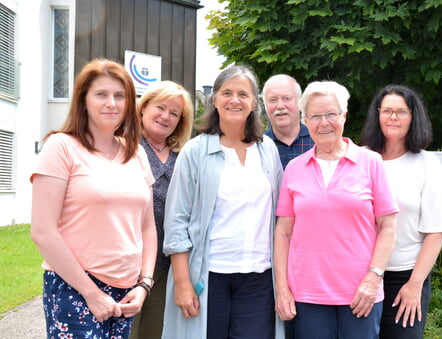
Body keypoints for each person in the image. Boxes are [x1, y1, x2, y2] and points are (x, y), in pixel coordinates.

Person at [30, 58, 157, 339]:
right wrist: (91, 293)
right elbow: (42, 231)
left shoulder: (135, 152)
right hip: (75, 287)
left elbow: (147, 226)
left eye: (120, 96)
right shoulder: (61, 146)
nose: (111, 103)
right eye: (101, 94)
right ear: (83, 100)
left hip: (127, 292)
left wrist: (144, 284)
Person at [161, 65, 285, 339]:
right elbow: (176, 221)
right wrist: (183, 283)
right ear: (214, 100)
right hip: (209, 276)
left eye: (243, 93)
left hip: (259, 278)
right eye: (226, 92)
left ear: (254, 103)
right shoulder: (195, 151)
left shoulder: (267, 150)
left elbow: (279, 218)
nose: (235, 100)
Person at [273, 80, 399, 338]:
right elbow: (283, 232)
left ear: (344, 116)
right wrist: (282, 289)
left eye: (331, 114)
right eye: (316, 116)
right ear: (306, 121)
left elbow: (388, 226)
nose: (324, 122)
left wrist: (373, 279)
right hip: (306, 297)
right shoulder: (294, 169)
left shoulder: (371, 162)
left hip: (360, 294)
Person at [360, 84, 442, 338]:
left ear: (413, 118)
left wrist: (414, 285)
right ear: (377, 115)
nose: (393, 117)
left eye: (401, 112)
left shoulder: (427, 164)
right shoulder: (360, 159)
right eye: (387, 111)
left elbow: (436, 232)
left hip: (405, 278)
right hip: (359, 275)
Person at [129, 81, 194, 339]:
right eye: (160, 107)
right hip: (128, 265)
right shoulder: (124, 146)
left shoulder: (184, 156)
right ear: (144, 108)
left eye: (174, 113)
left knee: (155, 333)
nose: (166, 117)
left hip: (168, 267)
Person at [262, 74, 314, 169]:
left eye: (287, 98)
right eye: (273, 100)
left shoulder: (318, 141)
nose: (280, 106)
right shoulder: (257, 146)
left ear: (300, 102)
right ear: (265, 105)